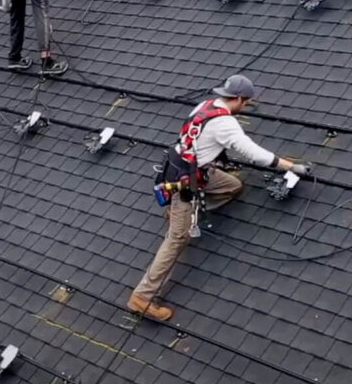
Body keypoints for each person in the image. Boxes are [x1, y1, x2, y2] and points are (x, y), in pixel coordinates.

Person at [129, 75, 310, 321]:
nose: (245, 107)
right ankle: (143, 296)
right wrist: (291, 166)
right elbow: (253, 153)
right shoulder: (224, 123)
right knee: (177, 238)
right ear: (237, 98)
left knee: (232, 186)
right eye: (245, 103)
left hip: (183, 167)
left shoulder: (206, 106)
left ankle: (182, 208)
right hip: (185, 181)